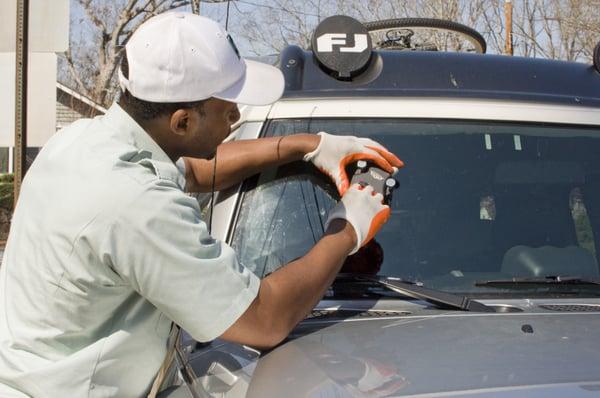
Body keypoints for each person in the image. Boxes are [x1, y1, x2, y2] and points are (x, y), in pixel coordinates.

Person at [0, 12, 403, 397]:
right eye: (229, 111)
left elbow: (190, 170)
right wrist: (348, 227)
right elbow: (265, 319)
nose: (236, 117)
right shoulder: (139, 204)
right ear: (182, 122)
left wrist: (306, 145)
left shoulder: (82, 142)